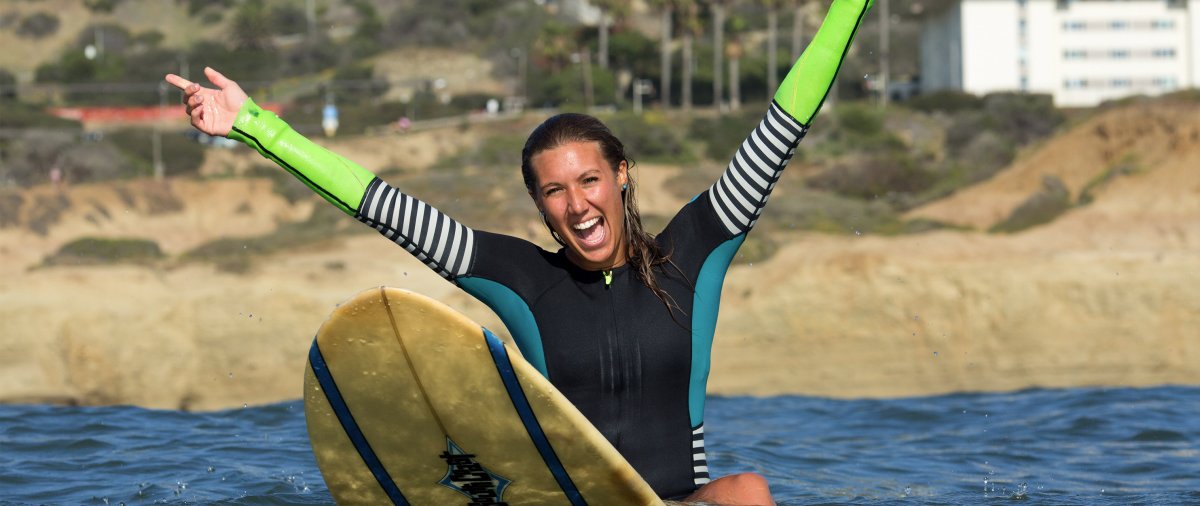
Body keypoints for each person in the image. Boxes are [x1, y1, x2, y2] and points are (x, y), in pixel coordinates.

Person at [166, 0, 871, 502]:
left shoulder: (694, 250)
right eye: (555, 191)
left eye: (589, 179)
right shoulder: (523, 278)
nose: (578, 205)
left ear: (621, 175)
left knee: (747, 492)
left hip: (673, 505)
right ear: (540, 205)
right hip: (558, 502)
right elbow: (385, 207)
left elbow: (785, 121)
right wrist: (257, 126)